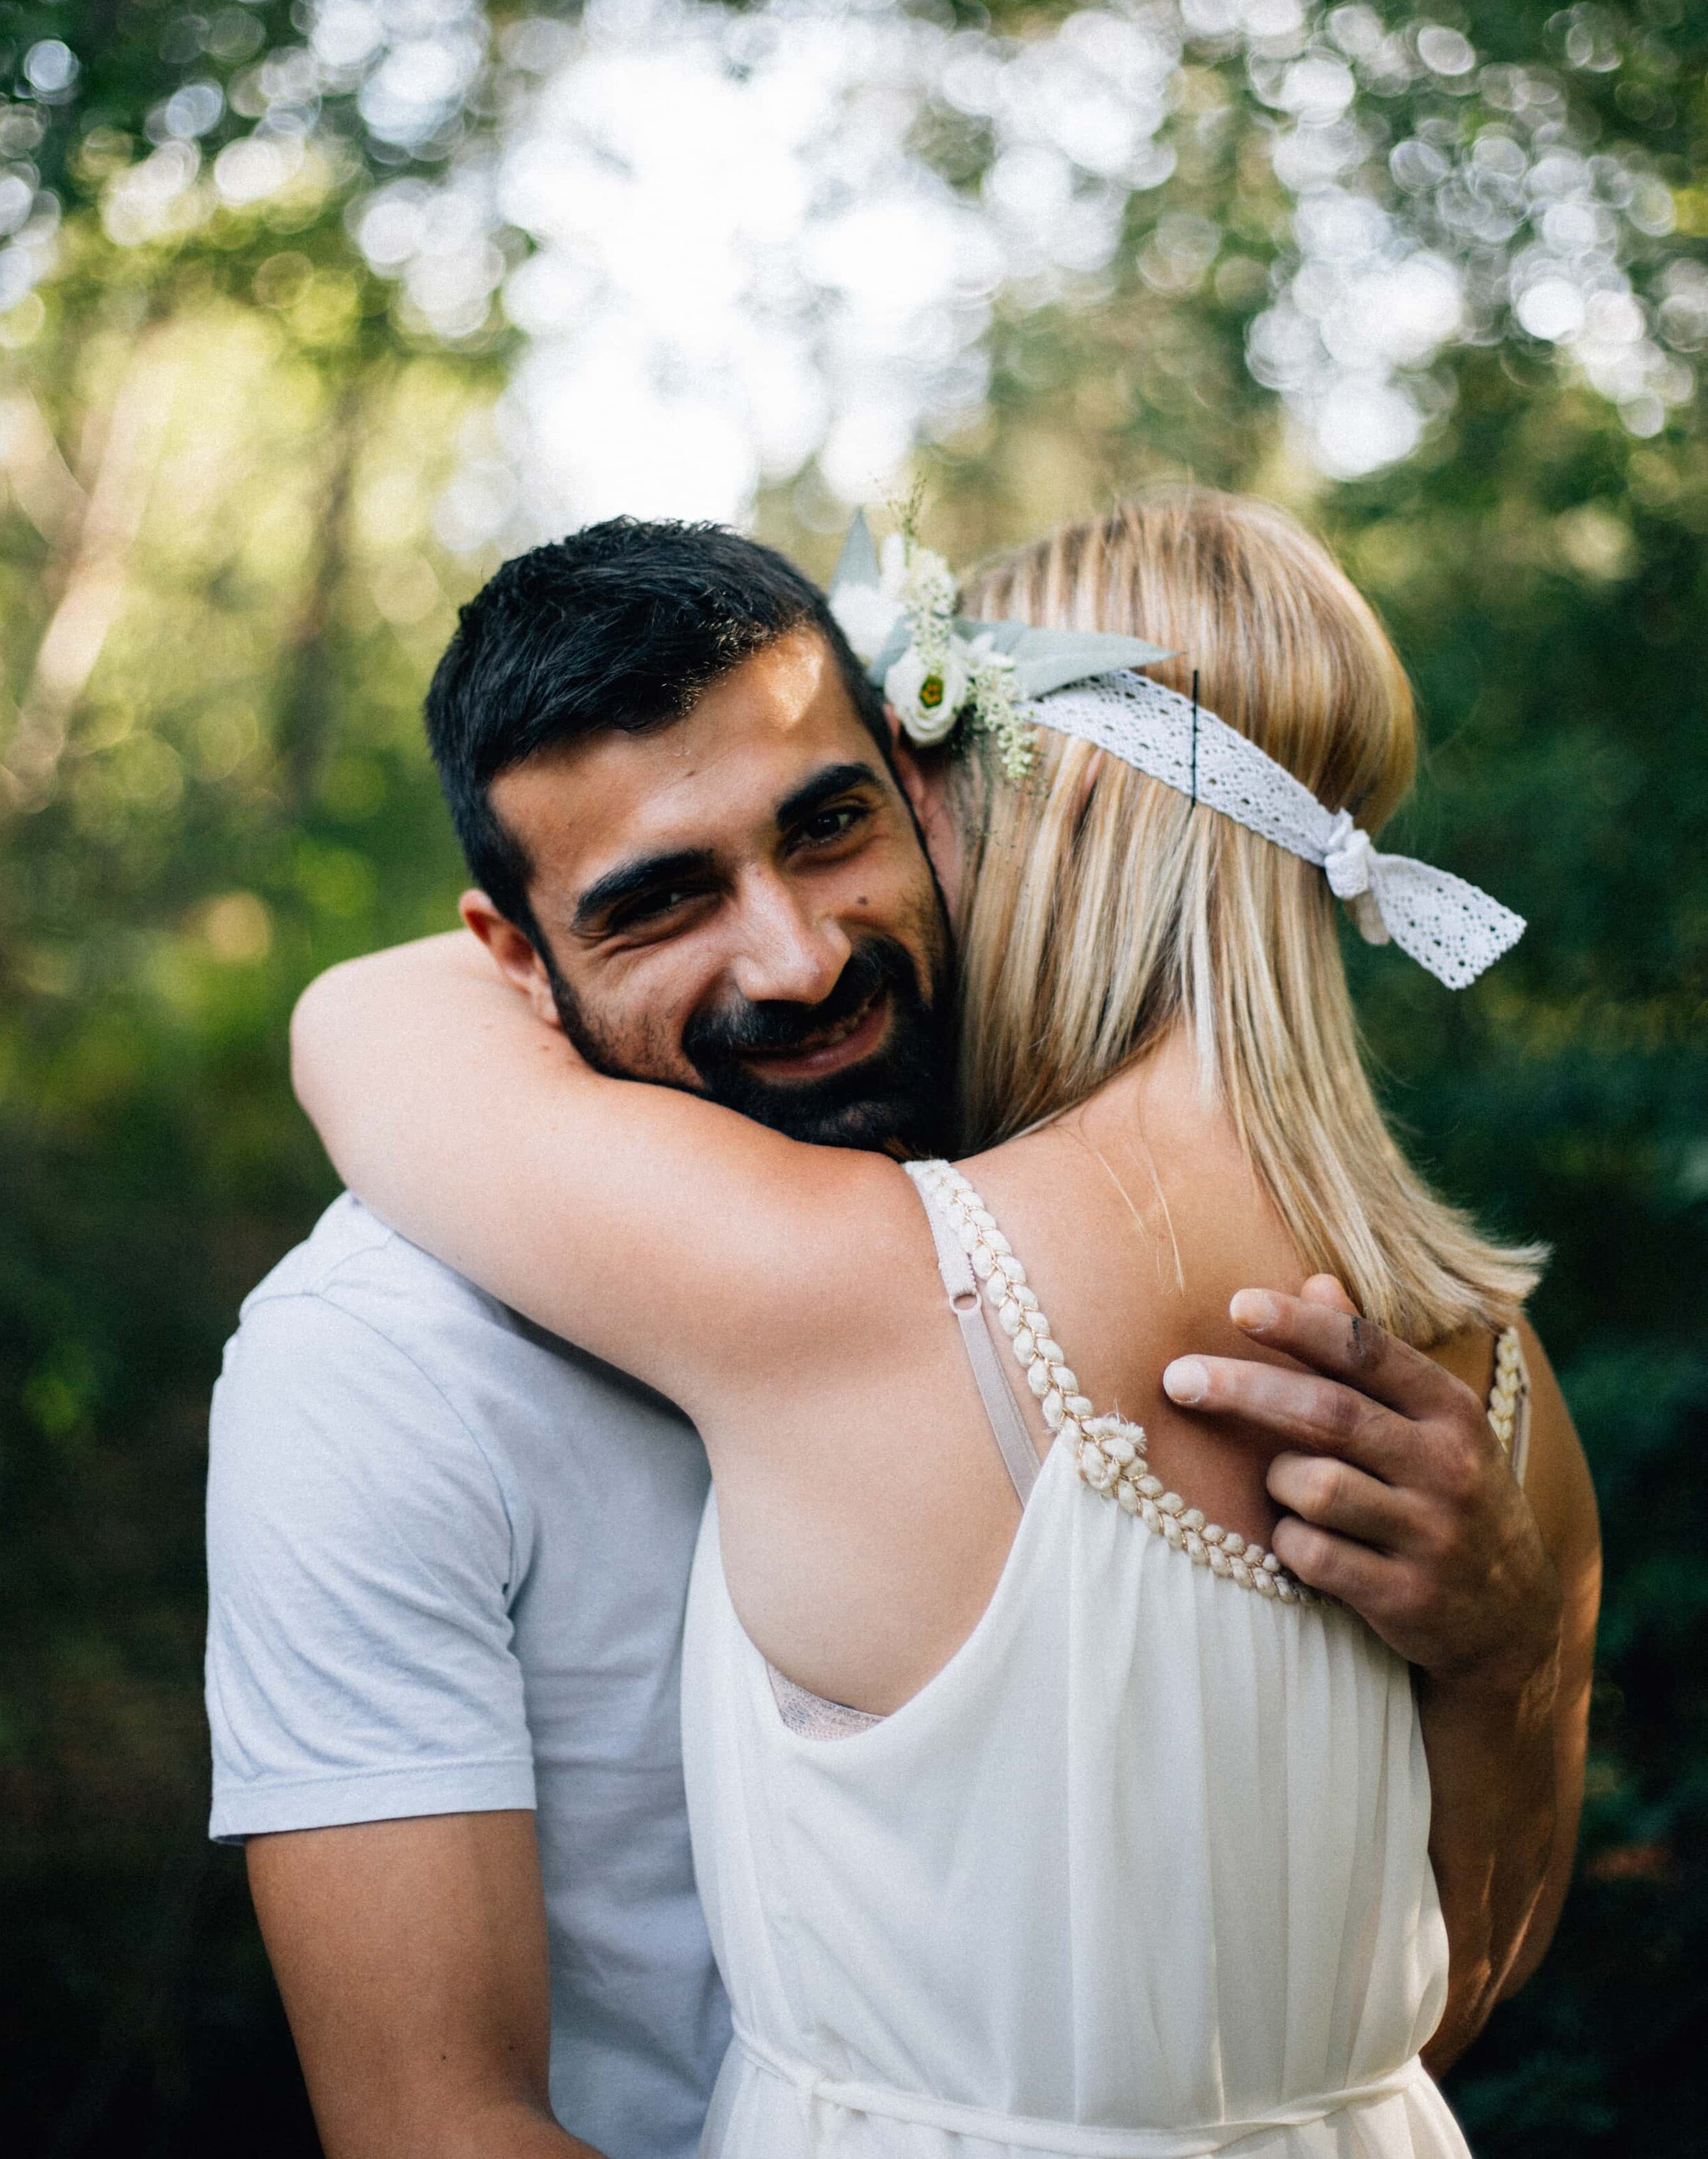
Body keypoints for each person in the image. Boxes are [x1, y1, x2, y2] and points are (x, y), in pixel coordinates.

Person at [289, 493, 1600, 2158]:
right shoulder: (1487, 1363)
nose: (798, 950)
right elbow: (1442, 1996)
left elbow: (357, 1024)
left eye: (875, 803)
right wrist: (1510, 1655)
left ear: (1021, 811)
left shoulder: (852, 1281)